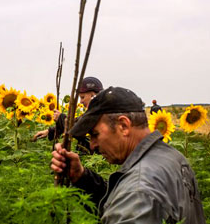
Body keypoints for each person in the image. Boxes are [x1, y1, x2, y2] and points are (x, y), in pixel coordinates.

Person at [51, 86, 205, 224]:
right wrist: (81, 177)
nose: (92, 145)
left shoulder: (139, 191)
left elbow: (133, 198)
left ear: (123, 126)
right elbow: (120, 202)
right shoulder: (172, 157)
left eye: (95, 134)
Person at [33, 77, 103, 154]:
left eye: (82, 97)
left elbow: (78, 128)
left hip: (98, 163)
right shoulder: (93, 112)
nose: (81, 101)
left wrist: (60, 118)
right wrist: (50, 131)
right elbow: (77, 121)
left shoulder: (100, 113)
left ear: (93, 96)